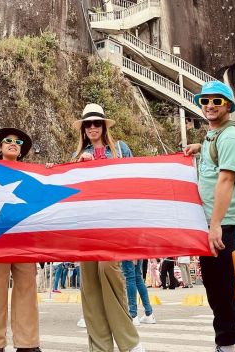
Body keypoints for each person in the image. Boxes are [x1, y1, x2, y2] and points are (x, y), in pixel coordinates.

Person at [184, 81, 235, 352]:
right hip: (212, 226)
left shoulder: (230, 137)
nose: (210, 105)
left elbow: (226, 180)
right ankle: (226, 345)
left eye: (217, 101)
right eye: (205, 100)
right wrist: (200, 147)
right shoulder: (213, 137)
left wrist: (215, 225)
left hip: (230, 226)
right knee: (216, 292)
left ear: (228, 105)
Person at [70, 103, 144, 352]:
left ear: (104, 125)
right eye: (88, 124)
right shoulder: (78, 154)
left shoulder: (120, 149)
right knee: (89, 286)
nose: (92, 127)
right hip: (87, 225)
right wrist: (80, 166)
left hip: (113, 223)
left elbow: (133, 183)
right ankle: (100, 347)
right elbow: (71, 190)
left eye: (97, 123)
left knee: (109, 272)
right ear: (83, 128)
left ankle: (129, 341)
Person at [0, 127, 42, 352]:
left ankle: (27, 344)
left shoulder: (30, 173)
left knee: (26, 289)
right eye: (8, 141)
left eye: (17, 142)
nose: (12, 144)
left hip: (24, 238)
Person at [121, 259, 155, 325]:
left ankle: (133, 315)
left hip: (128, 251)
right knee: (138, 278)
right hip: (139, 251)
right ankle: (149, 313)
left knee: (130, 278)